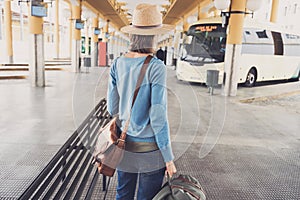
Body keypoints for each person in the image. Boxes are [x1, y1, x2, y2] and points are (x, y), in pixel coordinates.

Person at [106, 3, 177, 200]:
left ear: (133, 35)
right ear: (154, 36)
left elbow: (112, 107)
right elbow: (157, 115)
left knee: (123, 194)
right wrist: (168, 157)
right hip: (150, 151)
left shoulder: (117, 64)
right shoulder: (156, 67)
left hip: (124, 144)